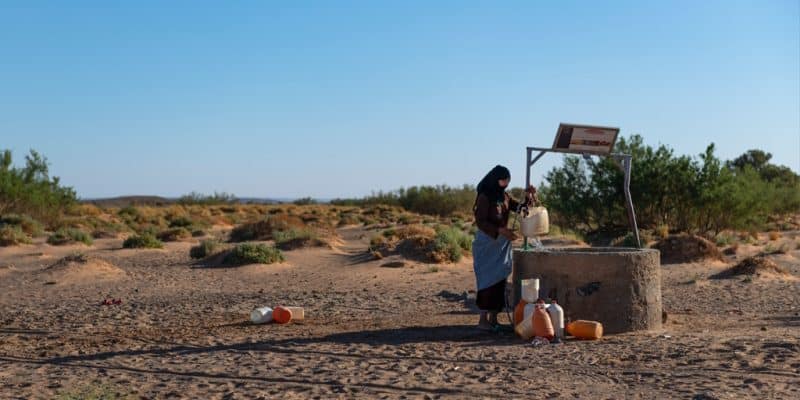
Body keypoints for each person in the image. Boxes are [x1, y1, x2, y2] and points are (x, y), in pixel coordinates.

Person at [472, 165, 536, 331]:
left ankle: (494, 318)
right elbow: (481, 221)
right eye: (503, 180)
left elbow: (520, 208)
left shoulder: (504, 196)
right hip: (487, 243)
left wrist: (529, 196)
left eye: (507, 181)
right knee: (487, 281)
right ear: (495, 179)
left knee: (499, 280)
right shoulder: (485, 197)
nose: (505, 184)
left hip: (501, 244)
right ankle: (483, 320)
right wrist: (500, 230)